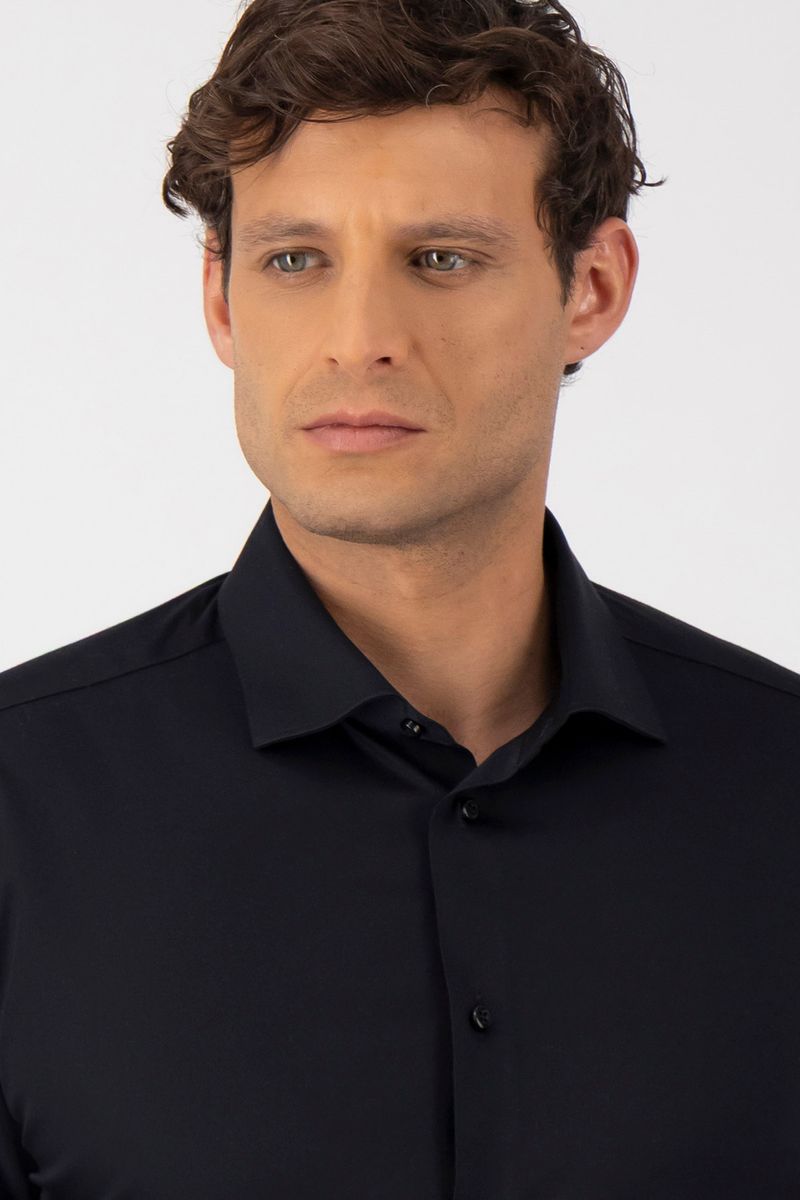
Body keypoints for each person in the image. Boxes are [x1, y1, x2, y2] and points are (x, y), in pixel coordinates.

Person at [1, 1, 798, 1195]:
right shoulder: (21, 809)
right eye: (294, 260)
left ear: (589, 287)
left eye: (439, 259)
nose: (358, 338)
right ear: (221, 299)